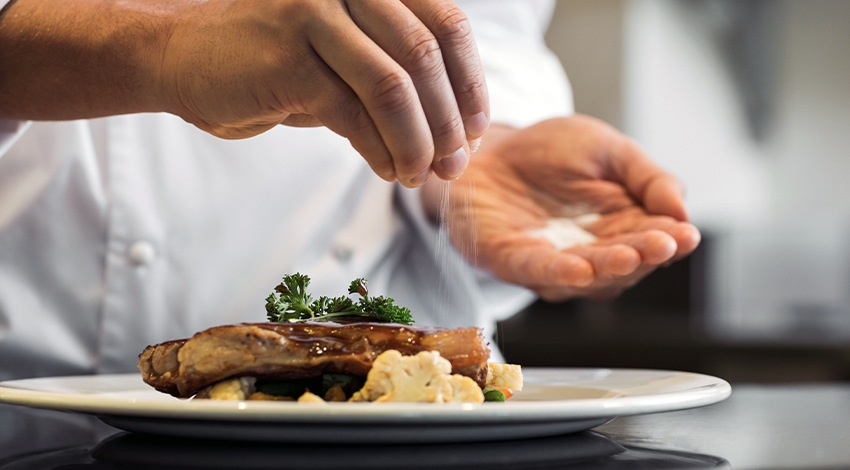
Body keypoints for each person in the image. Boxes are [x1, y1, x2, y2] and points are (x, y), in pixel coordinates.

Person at [0, 0, 699, 379]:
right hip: (24, 381)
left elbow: (487, 30)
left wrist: (471, 149)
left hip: (394, 414)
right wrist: (159, 50)